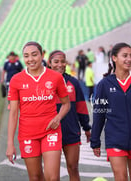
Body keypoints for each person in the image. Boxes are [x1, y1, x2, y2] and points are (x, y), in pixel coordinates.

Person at [90, 42, 131, 181]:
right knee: (120, 178)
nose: (129, 59)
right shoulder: (104, 84)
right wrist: (95, 140)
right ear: (114, 58)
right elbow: (99, 114)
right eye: (125, 56)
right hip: (115, 139)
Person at [6, 41, 70, 181]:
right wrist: (10, 144)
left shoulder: (55, 77)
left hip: (50, 131)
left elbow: (66, 104)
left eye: (34, 55)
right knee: (35, 177)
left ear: (42, 55)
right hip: (28, 134)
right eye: (26, 56)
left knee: (52, 177)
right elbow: (13, 113)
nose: (30, 59)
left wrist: (58, 118)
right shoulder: (16, 80)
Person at [48, 50, 91, 181]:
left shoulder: (73, 82)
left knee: (73, 168)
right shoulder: (43, 82)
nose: (60, 65)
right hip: (50, 133)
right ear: (49, 63)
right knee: (52, 174)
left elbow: (81, 107)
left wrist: (86, 128)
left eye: (63, 61)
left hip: (71, 131)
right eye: (56, 62)